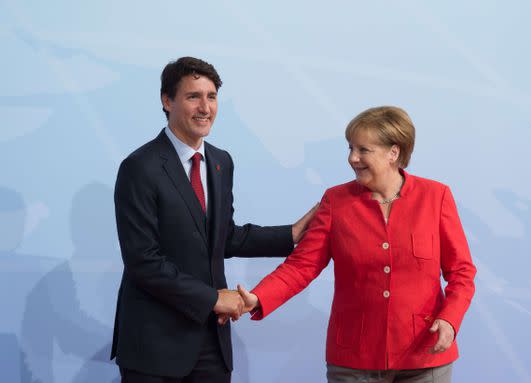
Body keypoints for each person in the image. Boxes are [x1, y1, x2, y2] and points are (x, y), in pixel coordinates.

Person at [110, 56, 316, 383]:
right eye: (193, 96)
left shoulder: (221, 162)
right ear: (167, 100)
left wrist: (291, 233)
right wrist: (214, 298)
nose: (205, 107)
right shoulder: (140, 167)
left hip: (211, 342)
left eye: (212, 97)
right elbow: (143, 261)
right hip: (154, 345)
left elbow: (225, 237)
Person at [236, 106, 477, 382]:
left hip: (424, 356)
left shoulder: (436, 197)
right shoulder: (335, 201)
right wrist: (258, 297)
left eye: (363, 150)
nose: (353, 158)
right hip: (353, 360)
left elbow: (462, 273)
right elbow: (302, 266)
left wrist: (450, 319)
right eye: (350, 148)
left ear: (393, 152)